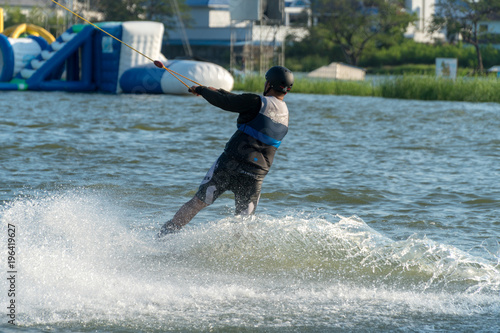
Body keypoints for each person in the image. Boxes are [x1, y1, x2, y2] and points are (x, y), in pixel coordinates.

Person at [158, 66, 294, 237]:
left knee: (197, 203)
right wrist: (215, 91)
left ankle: (164, 235)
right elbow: (238, 100)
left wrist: (201, 90)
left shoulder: (256, 101)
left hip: (230, 164)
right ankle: (237, 258)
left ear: (268, 83)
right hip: (255, 174)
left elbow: (228, 103)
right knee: (243, 222)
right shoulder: (285, 114)